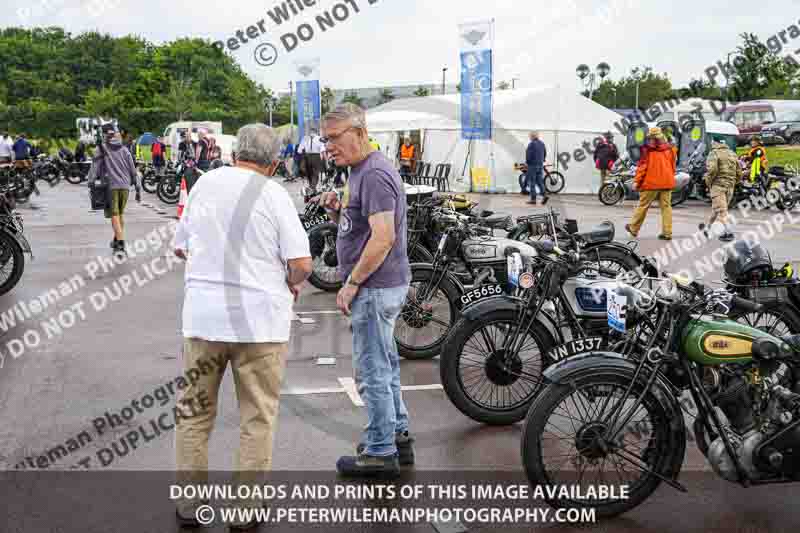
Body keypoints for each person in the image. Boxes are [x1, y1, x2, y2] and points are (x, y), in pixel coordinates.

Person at [172, 123, 311, 528]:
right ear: (274, 163)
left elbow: (181, 245)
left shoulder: (204, 184)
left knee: (194, 413)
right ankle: (244, 511)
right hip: (260, 325)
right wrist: (287, 282)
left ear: (236, 154)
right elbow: (301, 265)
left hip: (203, 320)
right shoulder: (274, 194)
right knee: (257, 416)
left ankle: (189, 505)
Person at [318, 103, 413, 478]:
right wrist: (336, 212)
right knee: (385, 364)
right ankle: (396, 434)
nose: (328, 148)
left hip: (374, 287)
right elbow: (359, 227)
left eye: (334, 138)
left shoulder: (373, 173)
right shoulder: (359, 170)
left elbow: (383, 238)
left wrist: (353, 282)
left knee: (372, 370)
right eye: (325, 140)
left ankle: (380, 450)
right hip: (380, 285)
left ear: (359, 132)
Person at [86, 124, 141, 254]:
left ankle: (121, 243)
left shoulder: (101, 148)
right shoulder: (124, 149)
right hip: (126, 187)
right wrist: (138, 187)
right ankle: (116, 240)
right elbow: (133, 170)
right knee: (119, 214)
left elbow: (95, 167)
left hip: (112, 187)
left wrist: (91, 181)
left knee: (114, 215)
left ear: (105, 134)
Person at [625, 127, 676, 241]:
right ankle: (667, 233)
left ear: (652, 138)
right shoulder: (671, 148)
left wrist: (637, 181)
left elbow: (643, 167)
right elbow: (673, 165)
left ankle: (633, 228)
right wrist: (669, 177)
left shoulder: (648, 150)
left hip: (651, 183)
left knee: (643, 205)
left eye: (650, 138)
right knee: (666, 207)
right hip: (667, 182)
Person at [698, 137, 741, 242]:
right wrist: (734, 182)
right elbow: (739, 171)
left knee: (722, 211)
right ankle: (707, 228)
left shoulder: (714, 153)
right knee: (717, 209)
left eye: (712, 142)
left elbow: (712, 170)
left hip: (718, 186)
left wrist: (708, 182)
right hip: (730, 186)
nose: (712, 144)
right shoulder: (732, 153)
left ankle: (728, 232)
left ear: (715, 143)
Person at [526, 131, 548, 205]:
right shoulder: (542, 143)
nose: (529, 137)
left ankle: (533, 199)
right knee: (540, 182)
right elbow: (545, 153)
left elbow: (528, 155)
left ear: (532, 136)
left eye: (530, 136)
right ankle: (544, 195)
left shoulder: (531, 144)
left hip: (532, 165)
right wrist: (542, 160)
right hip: (540, 165)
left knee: (532, 182)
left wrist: (528, 162)